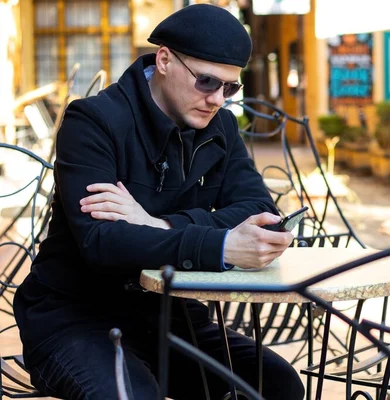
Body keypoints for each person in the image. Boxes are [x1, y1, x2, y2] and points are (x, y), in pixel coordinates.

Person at [13, 4, 305, 399]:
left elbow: (261, 212)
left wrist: (157, 224)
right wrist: (218, 241)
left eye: (230, 88)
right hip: (76, 320)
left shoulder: (219, 125)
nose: (218, 99)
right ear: (165, 60)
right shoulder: (93, 120)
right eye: (206, 82)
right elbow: (102, 242)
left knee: (277, 384)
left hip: (173, 319)